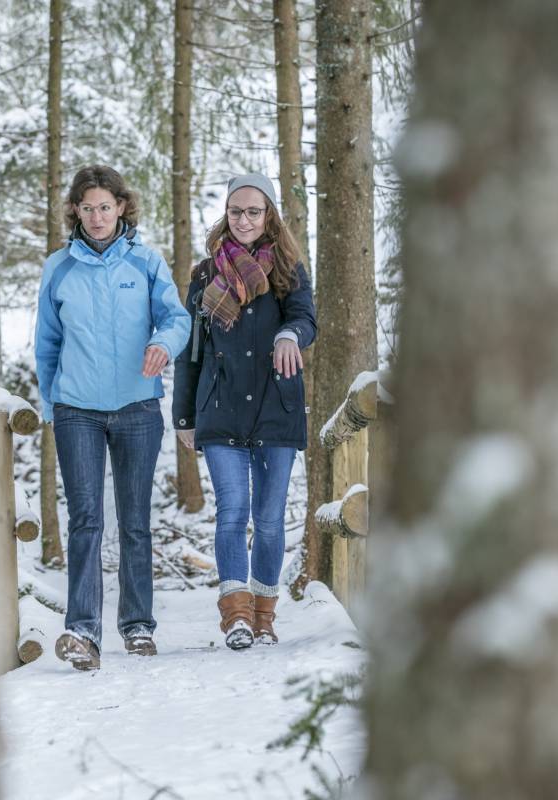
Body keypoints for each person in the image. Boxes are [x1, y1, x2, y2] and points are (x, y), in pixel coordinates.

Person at [35, 165, 191, 671]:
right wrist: (50, 404)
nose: (97, 217)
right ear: (75, 212)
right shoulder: (58, 268)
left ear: (122, 207)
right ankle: (82, 632)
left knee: (135, 522)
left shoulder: (146, 263)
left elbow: (177, 318)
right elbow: (47, 344)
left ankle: (138, 626)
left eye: (105, 206)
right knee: (85, 521)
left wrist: (163, 344)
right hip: (76, 409)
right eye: (87, 208)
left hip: (137, 409)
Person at [172, 173, 316, 649]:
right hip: (222, 410)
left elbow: (304, 318)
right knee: (232, 512)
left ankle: (264, 616)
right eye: (236, 211)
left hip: (277, 408)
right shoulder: (203, 275)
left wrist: (289, 335)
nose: (245, 219)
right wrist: (184, 416)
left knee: (270, 518)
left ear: (269, 214)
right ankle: (235, 615)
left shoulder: (290, 269)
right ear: (226, 214)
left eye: (255, 211)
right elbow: (190, 352)